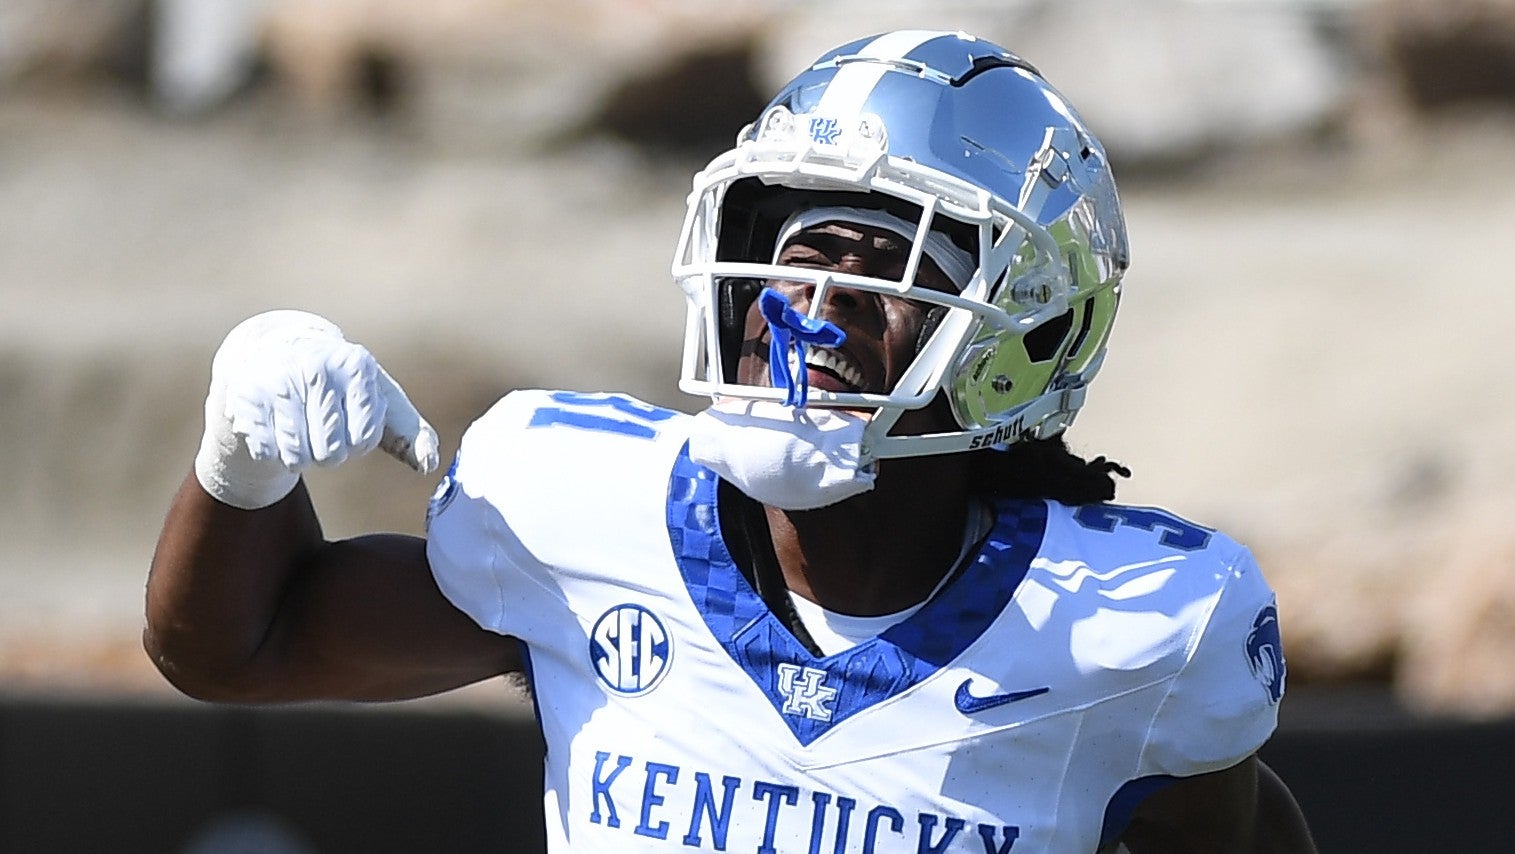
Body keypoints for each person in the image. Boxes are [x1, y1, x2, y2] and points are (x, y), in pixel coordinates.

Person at [145, 29, 1317, 853]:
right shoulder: (576, 517)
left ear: (1023, 334)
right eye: (798, 247)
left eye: (886, 266)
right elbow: (235, 647)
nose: (812, 298)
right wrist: (241, 461)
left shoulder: (1131, 628)